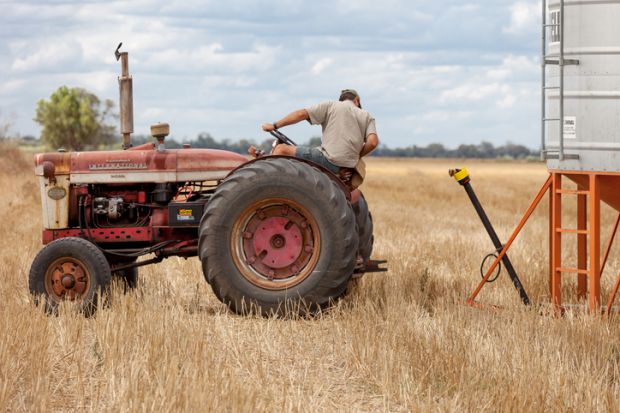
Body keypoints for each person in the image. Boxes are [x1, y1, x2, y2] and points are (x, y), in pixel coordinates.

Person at [256, 89, 379, 176]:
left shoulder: (331, 106)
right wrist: (357, 157)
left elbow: (301, 114)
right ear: (357, 100)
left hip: (328, 160)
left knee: (281, 149)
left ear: (341, 99)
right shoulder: (367, 115)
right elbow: (373, 142)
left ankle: (269, 188)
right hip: (348, 165)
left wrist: (274, 125)